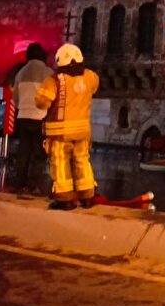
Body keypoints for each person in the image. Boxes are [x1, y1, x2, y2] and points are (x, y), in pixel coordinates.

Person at [35, 44, 99, 210]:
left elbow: (41, 103)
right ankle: (87, 197)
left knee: (60, 163)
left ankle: (65, 199)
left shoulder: (54, 80)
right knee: (82, 161)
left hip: (60, 133)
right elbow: (94, 88)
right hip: (83, 131)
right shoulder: (91, 76)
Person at [12, 43, 53, 194]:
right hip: (40, 116)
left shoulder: (21, 73)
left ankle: (19, 182)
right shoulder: (48, 73)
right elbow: (52, 96)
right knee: (39, 152)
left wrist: (21, 106)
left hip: (23, 116)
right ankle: (33, 183)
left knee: (24, 150)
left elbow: (15, 96)